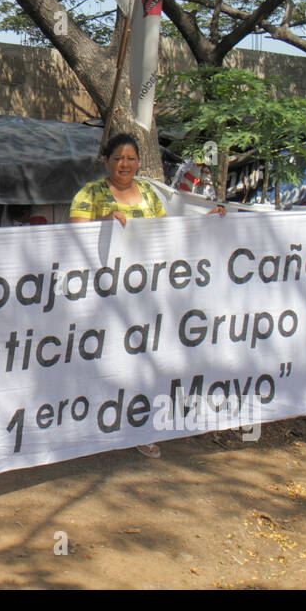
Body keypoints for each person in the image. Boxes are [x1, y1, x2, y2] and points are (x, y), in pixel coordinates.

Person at [69, 133, 223, 456]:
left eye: (131, 158)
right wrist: (103, 222)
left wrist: (207, 224)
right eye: (118, 158)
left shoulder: (150, 195)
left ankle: (137, 427)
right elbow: (70, 236)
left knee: (140, 360)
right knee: (102, 360)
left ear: (139, 162)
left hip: (144, 296)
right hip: (103, 297)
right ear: (106, 161)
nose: (125, 164)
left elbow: (169, 234)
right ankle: (88, 424)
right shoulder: (90, 194)